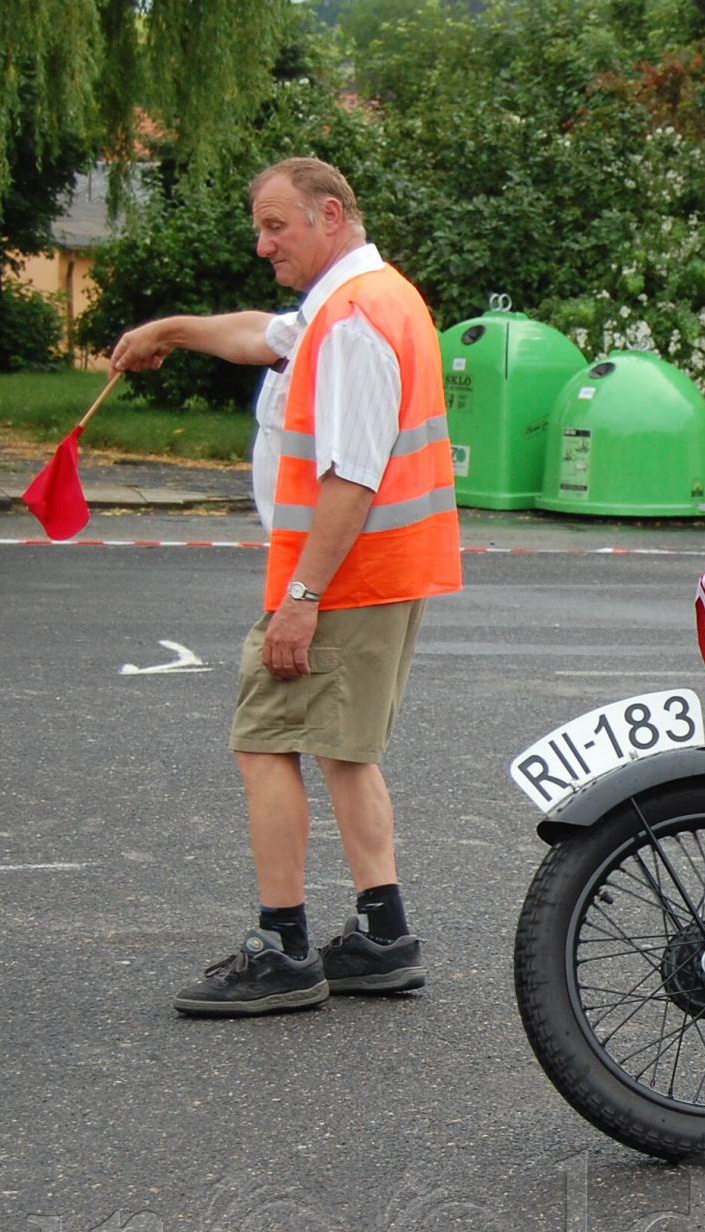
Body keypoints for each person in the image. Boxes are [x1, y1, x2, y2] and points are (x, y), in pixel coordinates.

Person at [109, 157, 463, 1016]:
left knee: (264, 741)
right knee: (345, 749)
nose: (262, 244)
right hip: (380, 570)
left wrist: (301, 601)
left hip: (340, 577)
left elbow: (351, 477)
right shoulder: (367, 298)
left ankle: (283, 948)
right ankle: (382, 935)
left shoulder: (350, 322)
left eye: (276, 226)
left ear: (329, 215)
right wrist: (169, 330)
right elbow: (258, 336)